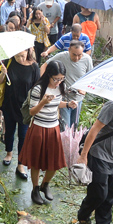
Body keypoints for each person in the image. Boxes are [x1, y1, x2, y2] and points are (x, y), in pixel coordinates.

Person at [20, 61, 73, 205]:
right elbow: (32, 111)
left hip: (53, 128)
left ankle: (45, 184)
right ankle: (35, 189)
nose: (58, 82)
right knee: (36, 162)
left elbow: (57, 103)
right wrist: (43, 102)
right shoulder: (38, 89)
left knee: (55, 162)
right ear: (48, 75)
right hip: (38, 128)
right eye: (56, 79)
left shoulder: (61, 87)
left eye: (61, 79)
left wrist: (67, 104)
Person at [0, 49, 39, 179]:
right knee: (9, 131)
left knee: (23, 136)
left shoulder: (34, 67)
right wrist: (3, 74)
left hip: (25, 107)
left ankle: (20, 164)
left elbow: (38, 87)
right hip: (10, 104)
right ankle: (9, 153)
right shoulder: (8, 63)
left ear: (28, 51)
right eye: (17, 56)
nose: (20, 58)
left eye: (22, 55)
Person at [41, 41, 92, 130]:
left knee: (74, 126)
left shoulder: (87, 59)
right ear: (69, 50)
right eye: (74, 55)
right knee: (65, 126)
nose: (77, 58)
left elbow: (90, 77)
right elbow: (44, 66)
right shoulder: (62, 56)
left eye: (79, 55)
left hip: (77, 98)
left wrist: (84, 89)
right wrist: (44, 85)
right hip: (64, 97)